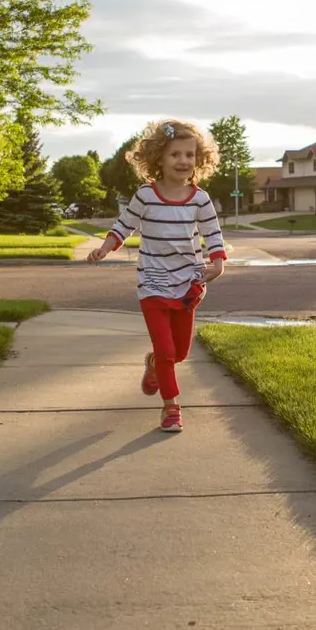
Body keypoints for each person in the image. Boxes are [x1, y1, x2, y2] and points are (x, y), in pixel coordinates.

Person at [86, 119, 227, 432]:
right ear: (159, 158)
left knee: (179, 352)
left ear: (199, 159)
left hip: (188, 283)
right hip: (152, 283)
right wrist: (106, 247)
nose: (183, 161)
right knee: (166, 351)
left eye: (190, 155)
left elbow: (212, 234)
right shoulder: (145, 196)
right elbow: (124, 225)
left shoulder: (200, 199)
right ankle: (171, 407)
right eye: (175, 154)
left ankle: (153, 366)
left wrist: (217, 263)